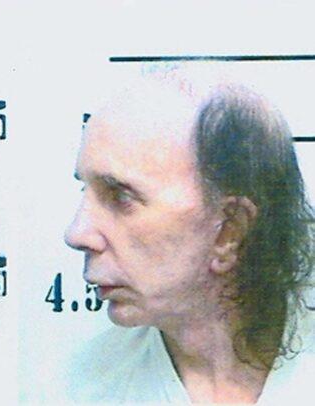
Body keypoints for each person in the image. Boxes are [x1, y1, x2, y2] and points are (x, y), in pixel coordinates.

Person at [64, 68, 315, 403]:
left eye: (121, 196)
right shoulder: (75, 391)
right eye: (85, 190)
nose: (77, 234)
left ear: (229, 230)